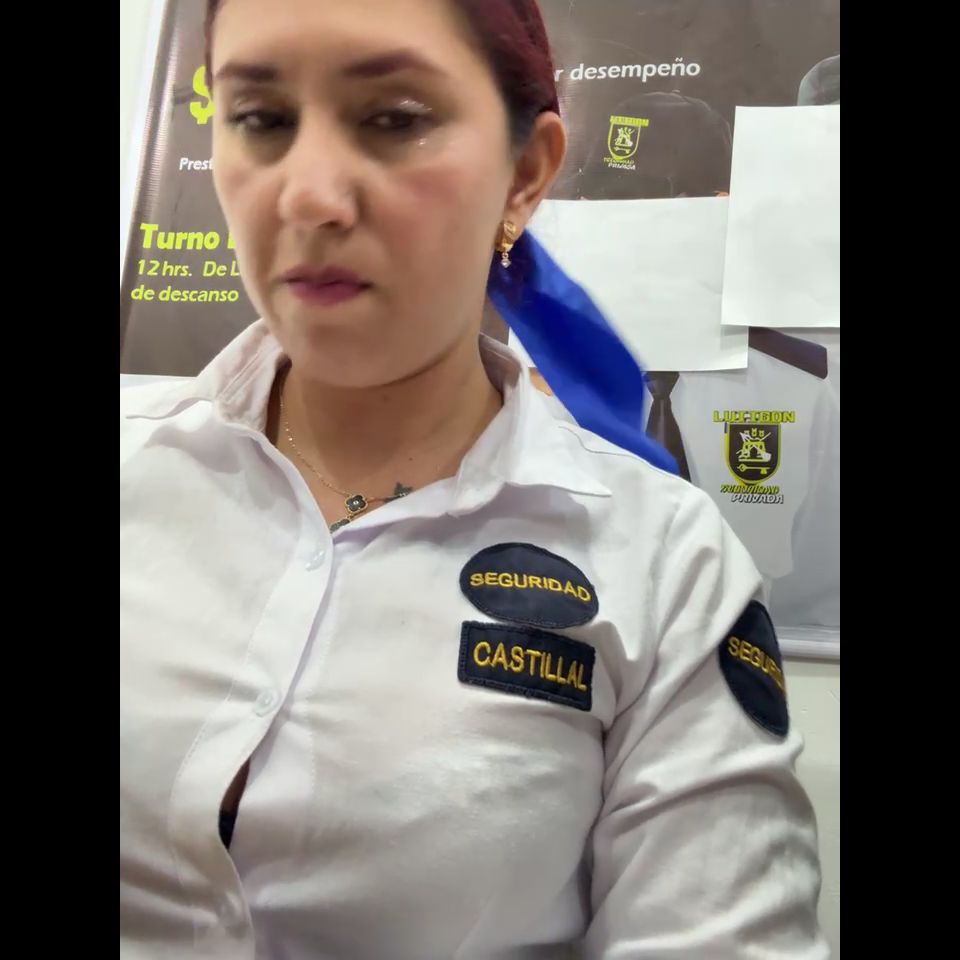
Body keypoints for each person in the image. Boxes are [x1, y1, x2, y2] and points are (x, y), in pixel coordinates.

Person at [120, 1, 827, 957]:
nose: (309, 197)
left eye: (394, 117)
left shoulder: (667, 567)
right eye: (262, 118)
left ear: (525, 172)